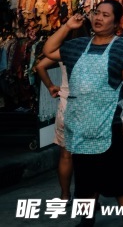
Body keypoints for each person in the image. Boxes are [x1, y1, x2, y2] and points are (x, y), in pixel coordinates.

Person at [43, 0, 123, 226]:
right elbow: (48, 50)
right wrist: (67, 26)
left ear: (116, 22)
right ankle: (86, 220)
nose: (98, 18)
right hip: (80, 126)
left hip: (111, 126)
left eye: (106, 15)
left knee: (118, 180)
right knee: (86, 180)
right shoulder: (77, 46)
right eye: (96, 13)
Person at [34, 56, 72, 200]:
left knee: (65, 155)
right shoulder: (94, 46)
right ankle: (90, 199)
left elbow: (40, 66)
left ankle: (65, 195)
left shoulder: (63, 50)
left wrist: (51, 86)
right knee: (89, 157)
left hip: (66, 104)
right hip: (89, 107)